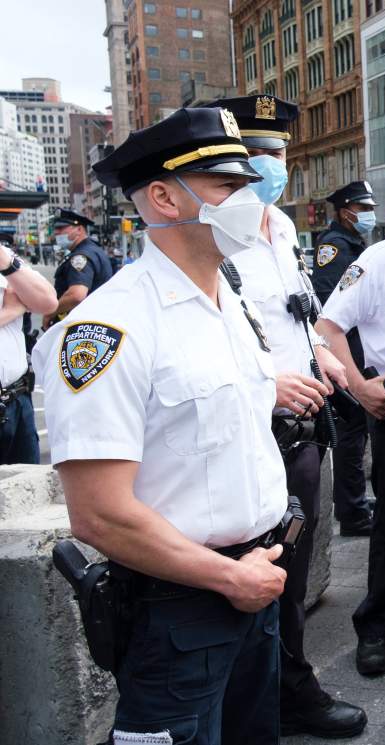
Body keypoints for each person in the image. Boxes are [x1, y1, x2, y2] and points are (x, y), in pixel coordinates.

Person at [34, 106, 291, 745]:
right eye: (228, 188)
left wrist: (248, 574)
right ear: (163, 198)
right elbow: (100, 513)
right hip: (182, 604)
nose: (249, 202)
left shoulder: (228, 300)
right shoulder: (110, 328)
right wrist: (229, 577)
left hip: (257, 579)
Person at [206, 94, 366, 739]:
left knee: (290, 567)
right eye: (258, 154)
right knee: (252, 568)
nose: (273, 165)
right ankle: (260, 695)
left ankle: (285, 684)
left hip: (303, 426)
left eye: (279, 153)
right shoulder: (213, 229)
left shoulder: (281, 228)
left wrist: (323, 356)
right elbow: (203, 332)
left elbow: (291, 316)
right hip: (247, 429)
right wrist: (265, 380)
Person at [312, 180, 378, 537]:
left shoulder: (354, 243)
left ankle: (354, 499)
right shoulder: (335, 247)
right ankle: (352, 513)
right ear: (345, 211)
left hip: (356, 346)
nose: (368, 215)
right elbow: (330, 301)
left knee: (358, 434)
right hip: (343, 348)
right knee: (351, 433)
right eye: (363, 209)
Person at [0, 239, 57, 463]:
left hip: (17, 400)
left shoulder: (5, 257)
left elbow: (48, 302)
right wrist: (12, 311)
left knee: (29, 486)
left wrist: (8, 264)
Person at [46, 209, 114, 327]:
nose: (56, 232)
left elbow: (76, 294)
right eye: (56, 229)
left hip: (83, 324)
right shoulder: (93, 250)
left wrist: (50, 313)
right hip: (95, 321)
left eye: (61, 228)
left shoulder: (81, 256)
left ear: (79, 229)